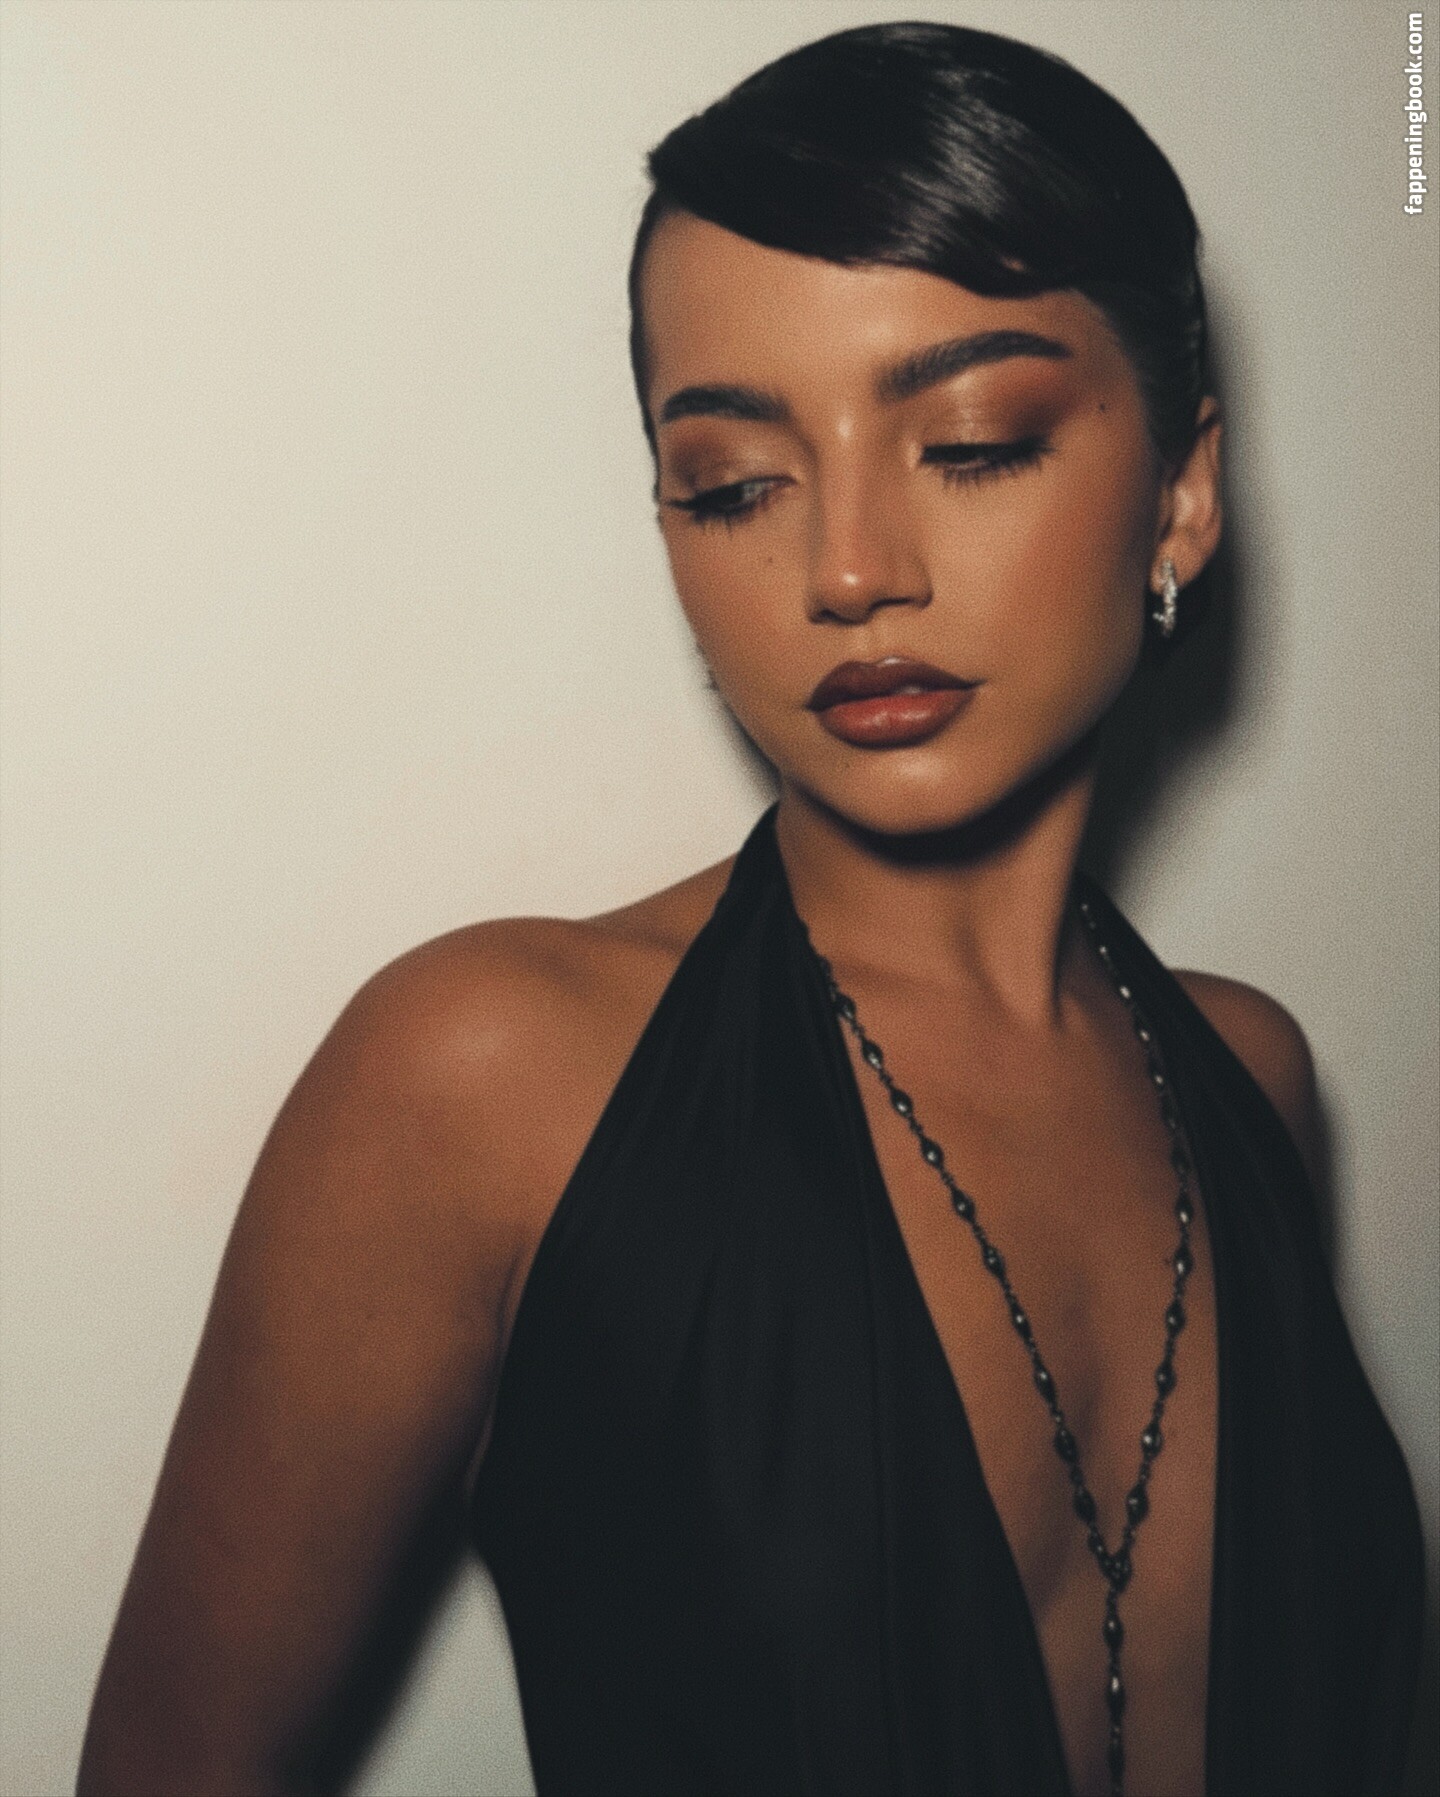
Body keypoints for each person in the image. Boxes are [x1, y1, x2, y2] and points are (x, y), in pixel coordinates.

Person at [77, 21, 1422, 1797]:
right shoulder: (485, 1085)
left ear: (1181, 494)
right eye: (732, 482)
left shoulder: (1254, 1081)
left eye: (971, 441)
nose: (847, 568)